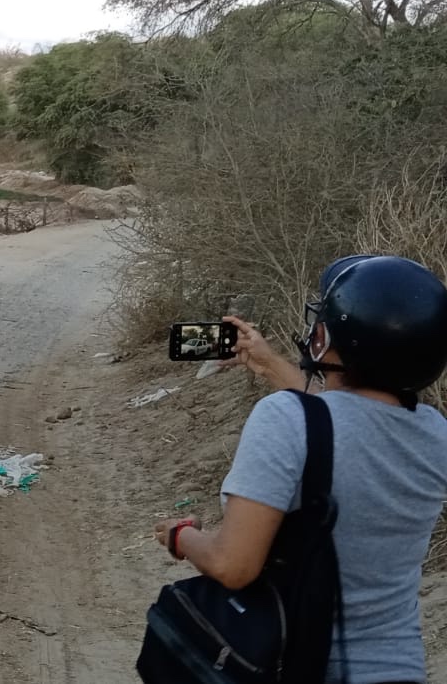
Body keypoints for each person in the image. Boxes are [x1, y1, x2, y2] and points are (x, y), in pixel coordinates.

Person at [153, 254, 447, 684]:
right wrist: (269, 363)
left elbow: (233, 565)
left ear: (328, 338)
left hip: (297, 666)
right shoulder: (435, 433)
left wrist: (180, 536)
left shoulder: (283, 418)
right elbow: (346, 423)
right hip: (398, 670)